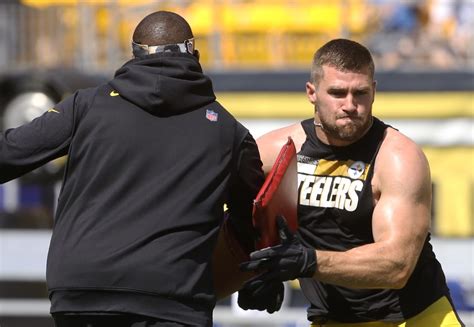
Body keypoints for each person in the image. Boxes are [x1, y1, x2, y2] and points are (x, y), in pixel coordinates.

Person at [0, 11, 264, 327]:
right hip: (172, 301)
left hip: (82, 295)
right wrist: (260, 276)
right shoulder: (229, 133)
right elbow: (254, 222)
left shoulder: (86, 105)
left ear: (135, 54)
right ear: (195, 54)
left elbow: (8, 155)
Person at [240, 39, 465, 326]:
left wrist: (305, 262)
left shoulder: (397, 157)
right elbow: (233, 221)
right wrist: (256, 273)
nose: (350, 105)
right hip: (333, 318)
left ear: (374, 92)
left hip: (417, 317)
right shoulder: (275, 152)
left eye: (360, 93)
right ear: (312, 93)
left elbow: (397, 265)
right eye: (337, 92)